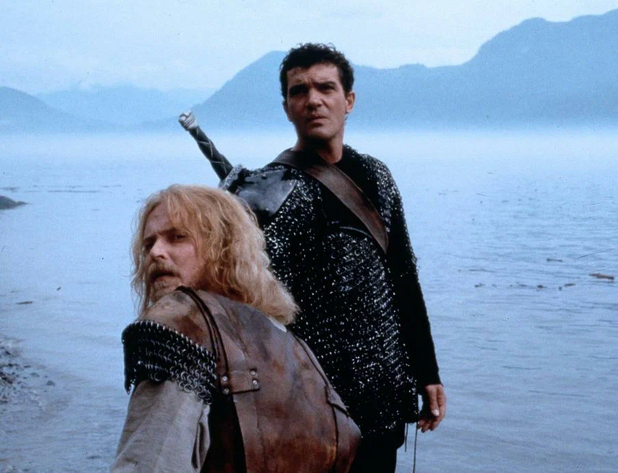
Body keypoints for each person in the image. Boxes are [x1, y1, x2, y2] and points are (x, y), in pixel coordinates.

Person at [225, 43, 446, 472]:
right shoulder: (270, 193)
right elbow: (248, 306)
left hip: (382, 396)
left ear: (349, 101)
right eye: (299, 90)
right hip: (307, 402)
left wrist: (428, 372)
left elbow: (404, 279)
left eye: (326, 88)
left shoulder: (377, 177)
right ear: (287, 108)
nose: (313, 100)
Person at [112, 185, 360, 472]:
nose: (155, 252)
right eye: (148, 244)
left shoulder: (182, 324)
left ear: (223, 247)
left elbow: (150, 465)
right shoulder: (294, 346)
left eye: (177, 237)